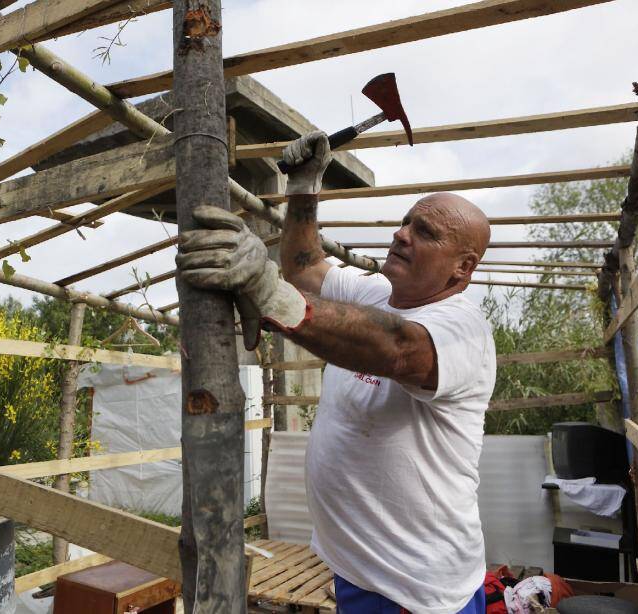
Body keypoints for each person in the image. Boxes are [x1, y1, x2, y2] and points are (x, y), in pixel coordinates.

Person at [176, 131, 496, 613]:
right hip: (358, 572)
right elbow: (305, 269)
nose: (401, 234)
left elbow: (398, 349)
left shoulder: (465, 329)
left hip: (419, 590)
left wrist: (270, 294)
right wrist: (303, 190)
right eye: (405, 222)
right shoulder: (375, 292)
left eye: (425, 232)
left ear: (461, 268)